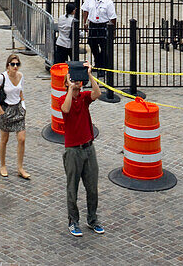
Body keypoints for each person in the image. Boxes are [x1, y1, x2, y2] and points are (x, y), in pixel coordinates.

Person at [60, 60, 103, 237]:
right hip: (73, 151)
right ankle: (73, 221)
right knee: (73, 188)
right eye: (73, 80)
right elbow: (66, 109)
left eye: (78, 80)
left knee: (92, 187)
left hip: (88, 148)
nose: (77, 83)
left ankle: (92, 219)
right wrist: (70, 88)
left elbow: (98, 93)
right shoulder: (64, 98)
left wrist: (89, 75)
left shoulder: (85, 98)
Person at [0, 53, 29, 180]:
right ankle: (3, 165)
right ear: (8, 65)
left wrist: (23, 105)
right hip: (7, 110)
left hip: (18, 109)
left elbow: (20, 91)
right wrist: (0, 110)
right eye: (12, 64)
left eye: (17, 64)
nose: (15, 67)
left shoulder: (21, 76)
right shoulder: (2, 77)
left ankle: (20, 168)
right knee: (4, 139)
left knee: (22, 139)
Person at [81, 0, 117, 74]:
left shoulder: (108, 2)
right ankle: (97, 63)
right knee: (92, 44)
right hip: (93, 24)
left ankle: (102, 66)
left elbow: (113, 18)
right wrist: (85, 22)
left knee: (104, 47)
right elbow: (85, 10)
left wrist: (113, 31)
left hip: (103, 25)